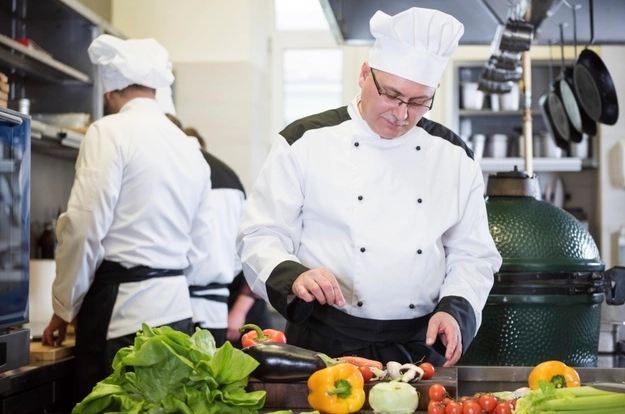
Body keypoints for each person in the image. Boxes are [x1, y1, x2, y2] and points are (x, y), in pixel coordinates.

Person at [238, 7, 502, 367]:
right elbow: (260, 234)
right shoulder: (304, 141)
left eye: (419, 101)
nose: (402, 113)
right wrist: (295, 276)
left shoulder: (454, 157)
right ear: (364, 74)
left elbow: (473, 254)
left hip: (417, 345)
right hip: (323, 342)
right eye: (392, 95)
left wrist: (456, 309)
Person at [41, 34, 213, 402]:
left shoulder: (109, 131)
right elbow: (202, 247)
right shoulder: (189, 147)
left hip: (123, 317)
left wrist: (62, 307)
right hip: (178, 316)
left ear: (110, 93)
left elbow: (83, 227)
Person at [164, 114, 251, 346]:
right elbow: (246, 252)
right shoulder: (229, 175)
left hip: (175, 310)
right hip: (215, 313)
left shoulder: (176, 170)